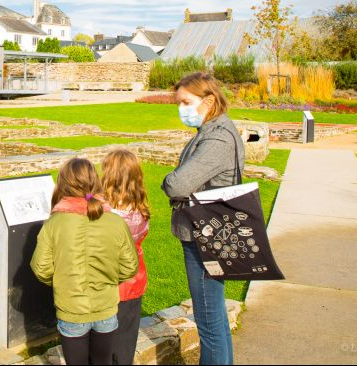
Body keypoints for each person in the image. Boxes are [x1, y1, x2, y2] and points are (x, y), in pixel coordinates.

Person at [161, 72, 244, 365]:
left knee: (209, 320)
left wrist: (168, 181)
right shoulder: (209, 131)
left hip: (205, 235)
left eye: (186, 102)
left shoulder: (218, 137)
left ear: (208, 101)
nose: (181, 108)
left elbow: (177, 184)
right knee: (215, 317)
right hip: (204, 230)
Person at [31, 158, 139, 366]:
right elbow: (129, 266)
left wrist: (63, 282)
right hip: (105, 306)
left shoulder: (54, 224)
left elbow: (41, 268)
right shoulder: (115, 222)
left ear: (63, 183)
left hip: (72, 308)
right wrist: (107, 280)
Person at [101, 149, 151, 365]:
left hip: (107, 284)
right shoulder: (141, 209)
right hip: (133, 282)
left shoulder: (102, 210)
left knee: (102, 345)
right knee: (125, 345)